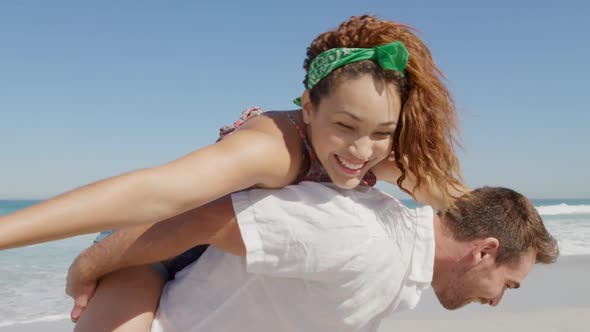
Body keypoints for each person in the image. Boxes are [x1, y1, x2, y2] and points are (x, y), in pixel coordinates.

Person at [0, 15, 464, 331]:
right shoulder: (273, 149)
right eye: (345, 126)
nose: (362, 150)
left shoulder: (374, 153)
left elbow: (466, 204)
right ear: (308, 107)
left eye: (382, 131)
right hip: (146, 246)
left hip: (211, 258)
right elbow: (156, 193)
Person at [65, 182, 559, 331]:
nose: (497, 302)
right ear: (484, 251)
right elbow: (200, 217)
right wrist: (89, 266)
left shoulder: (398, 262)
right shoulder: (364, 235)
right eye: (508, 286)